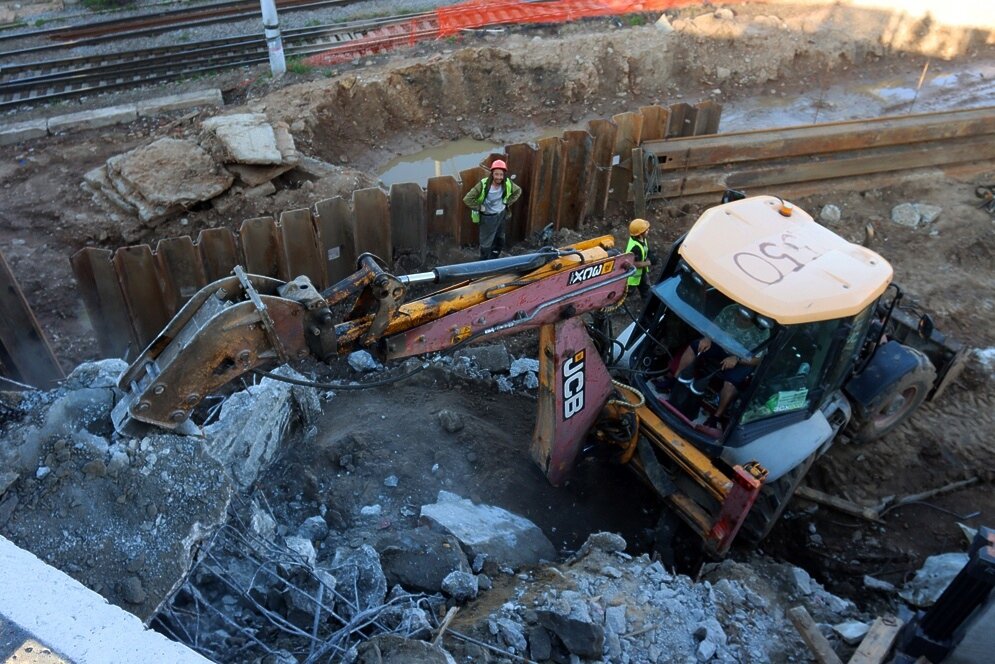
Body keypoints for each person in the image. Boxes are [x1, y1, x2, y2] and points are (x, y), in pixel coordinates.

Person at [675, 304, 770, 428]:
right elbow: (714, 327)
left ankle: (716, 417)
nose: (739, 318)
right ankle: (676, 380)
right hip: (721, 346)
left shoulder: (763, 330)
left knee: (731, 383)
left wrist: (737, 359)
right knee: (695, 346)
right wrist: (707, 338)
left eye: (745, 319)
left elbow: (757, 360)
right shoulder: (731, 309)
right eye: (739, 315)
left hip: (742, 359)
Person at [463, 159, 522, 260]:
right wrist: (479, 207)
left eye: (501, 174)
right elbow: (467, 199)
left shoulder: (507, 183)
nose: (499, 177)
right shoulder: (484, 185)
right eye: (496, 174)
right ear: (492, 174)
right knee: (486, 242)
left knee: (500, 238)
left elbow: (518, 191)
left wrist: (507, 202)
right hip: (488, 217)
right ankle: (484, 261)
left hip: (501, 214)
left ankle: (495, 256)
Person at [626, 218, 653, 298]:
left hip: (642, 274)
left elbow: (645, 249)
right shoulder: (635, 248)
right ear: (640, 234)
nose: (648, 230)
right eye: (646, 230)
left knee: (647, 292)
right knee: (626, 294)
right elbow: (633, 264)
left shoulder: (642, 239)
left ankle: (648, 306)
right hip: (633, 277)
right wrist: (649, 262)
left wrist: (649, 254)